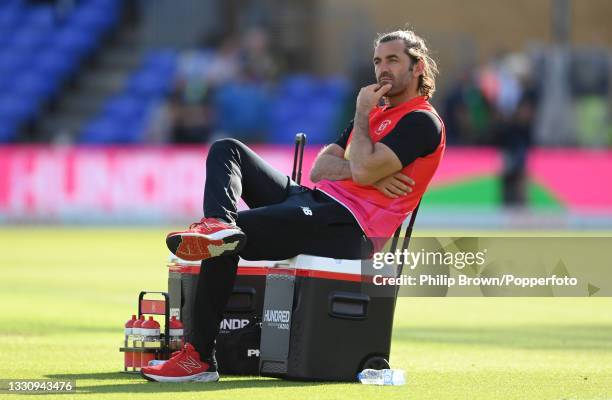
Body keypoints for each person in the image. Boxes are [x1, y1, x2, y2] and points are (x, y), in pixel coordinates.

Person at [140, 29, 446, 383]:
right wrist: (370, 174)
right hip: (314, 200)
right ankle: (216, 224)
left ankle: (199, 359)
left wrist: (362, 123)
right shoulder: (376, 114)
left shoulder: (421, 121)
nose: (382, 69)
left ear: (418, 66)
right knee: (227, 149)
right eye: (378, 61)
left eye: (393, 60)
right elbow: (321, 167)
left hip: (349, 225)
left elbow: (358, 167)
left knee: (233, 239)